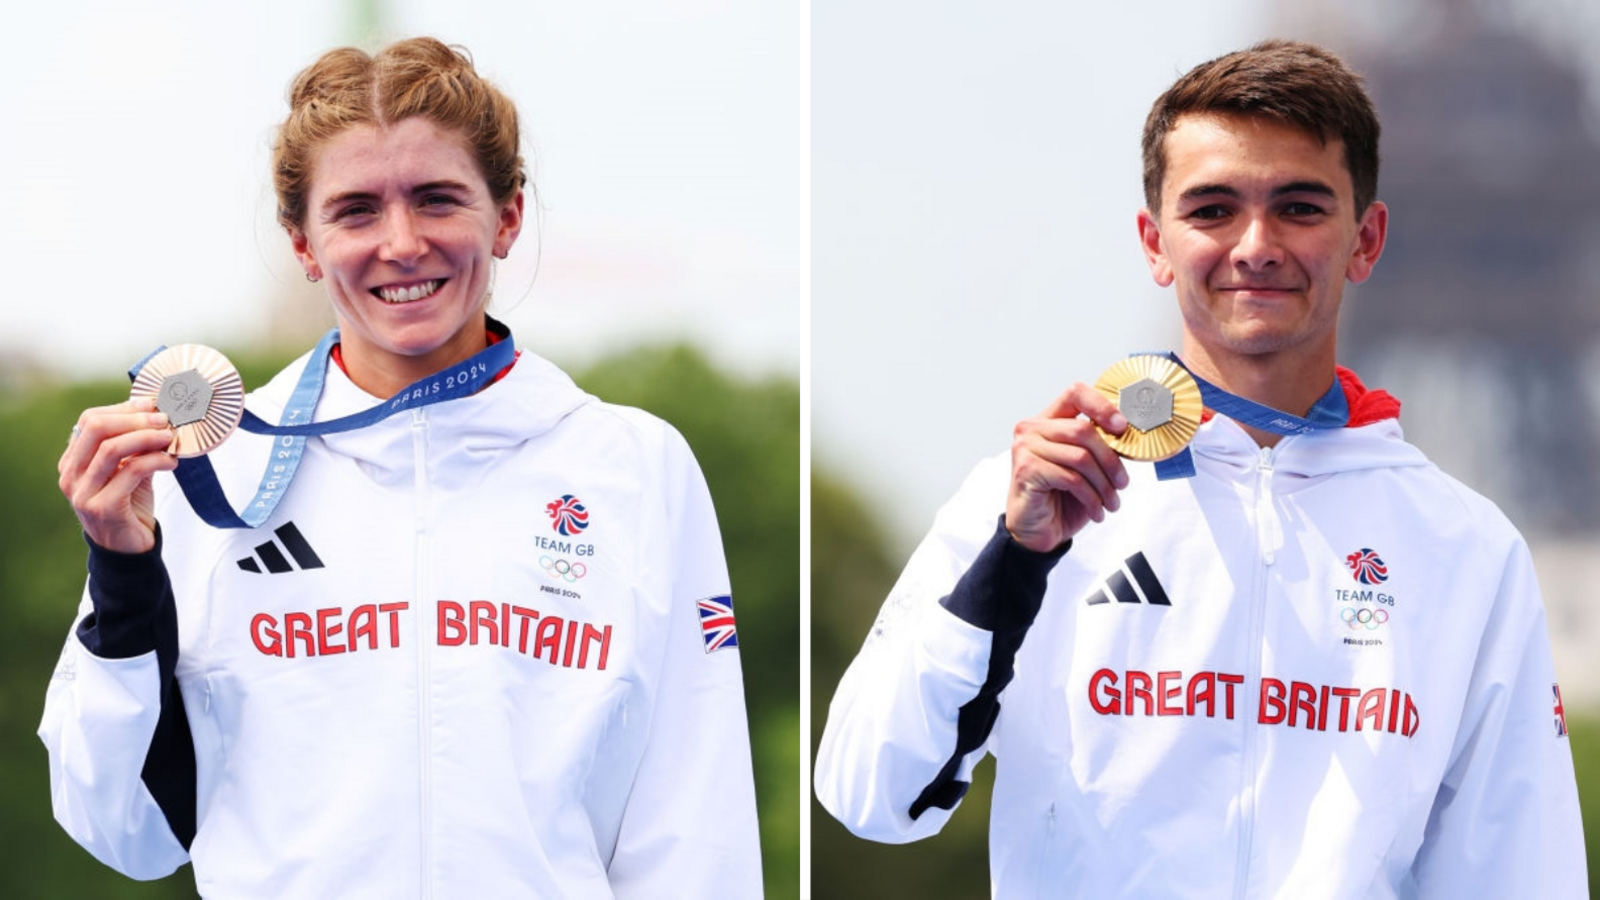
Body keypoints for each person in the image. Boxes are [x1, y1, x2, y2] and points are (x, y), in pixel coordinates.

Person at [814, 39, 1586, 898]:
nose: (1255, 245)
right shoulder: (1033, 494)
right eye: (1212, 209)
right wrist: (1015, 562)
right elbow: (868, 795)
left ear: (1366, 240)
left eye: (1299, 207)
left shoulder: (1468, 549)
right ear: (1155, 242)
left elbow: (1521, 875)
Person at [43, 37, 761, 899]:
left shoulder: (634, 467)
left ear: (507, 217)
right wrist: (123, 574)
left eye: (437, 199)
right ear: (303, 244)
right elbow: (123, 828)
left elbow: (695, 823)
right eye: (355, 210)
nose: (402, 241)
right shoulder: (207, 472)